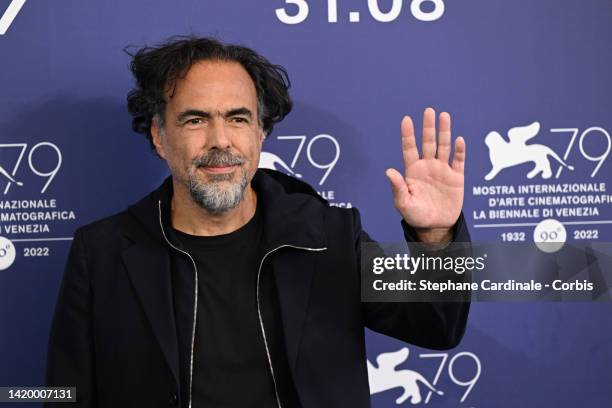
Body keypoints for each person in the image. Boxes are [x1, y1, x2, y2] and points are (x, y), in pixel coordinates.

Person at [46, 36, 470, 408]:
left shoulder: (328, 234)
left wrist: (435, 237)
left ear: (260, 133)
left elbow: (437, 326)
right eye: (195, 120)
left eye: (238, 118)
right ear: (159, 136)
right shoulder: (102, 251)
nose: (220, 141)